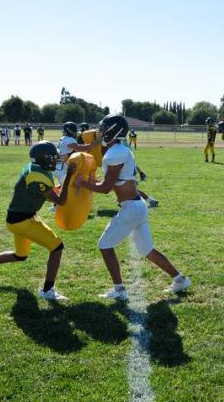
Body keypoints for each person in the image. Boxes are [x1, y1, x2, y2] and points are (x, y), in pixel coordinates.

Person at [74, 115, 191, 299]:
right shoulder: (118, 150)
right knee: (148, 250)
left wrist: (82, 182)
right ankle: (180, 279)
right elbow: (112, 183)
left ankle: (119, 290)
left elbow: (105, 188)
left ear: (113, 131)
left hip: (131, 209)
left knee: (104, 245)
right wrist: (91, 181)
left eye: (104, 128)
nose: (100, 132)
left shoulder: (115, 153)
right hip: (137, 207)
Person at [0, 142, 78, 301]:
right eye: (53, 157)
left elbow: (51, 191)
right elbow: (60, 200)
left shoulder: (37, 169)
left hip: (21, 217)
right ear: (43, 158)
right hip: (21, 221)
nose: (56, 160)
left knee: (21, 255)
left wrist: (69, 183)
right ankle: (48, 290)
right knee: (57, 247)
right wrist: (68, 179)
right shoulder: (37, 175)